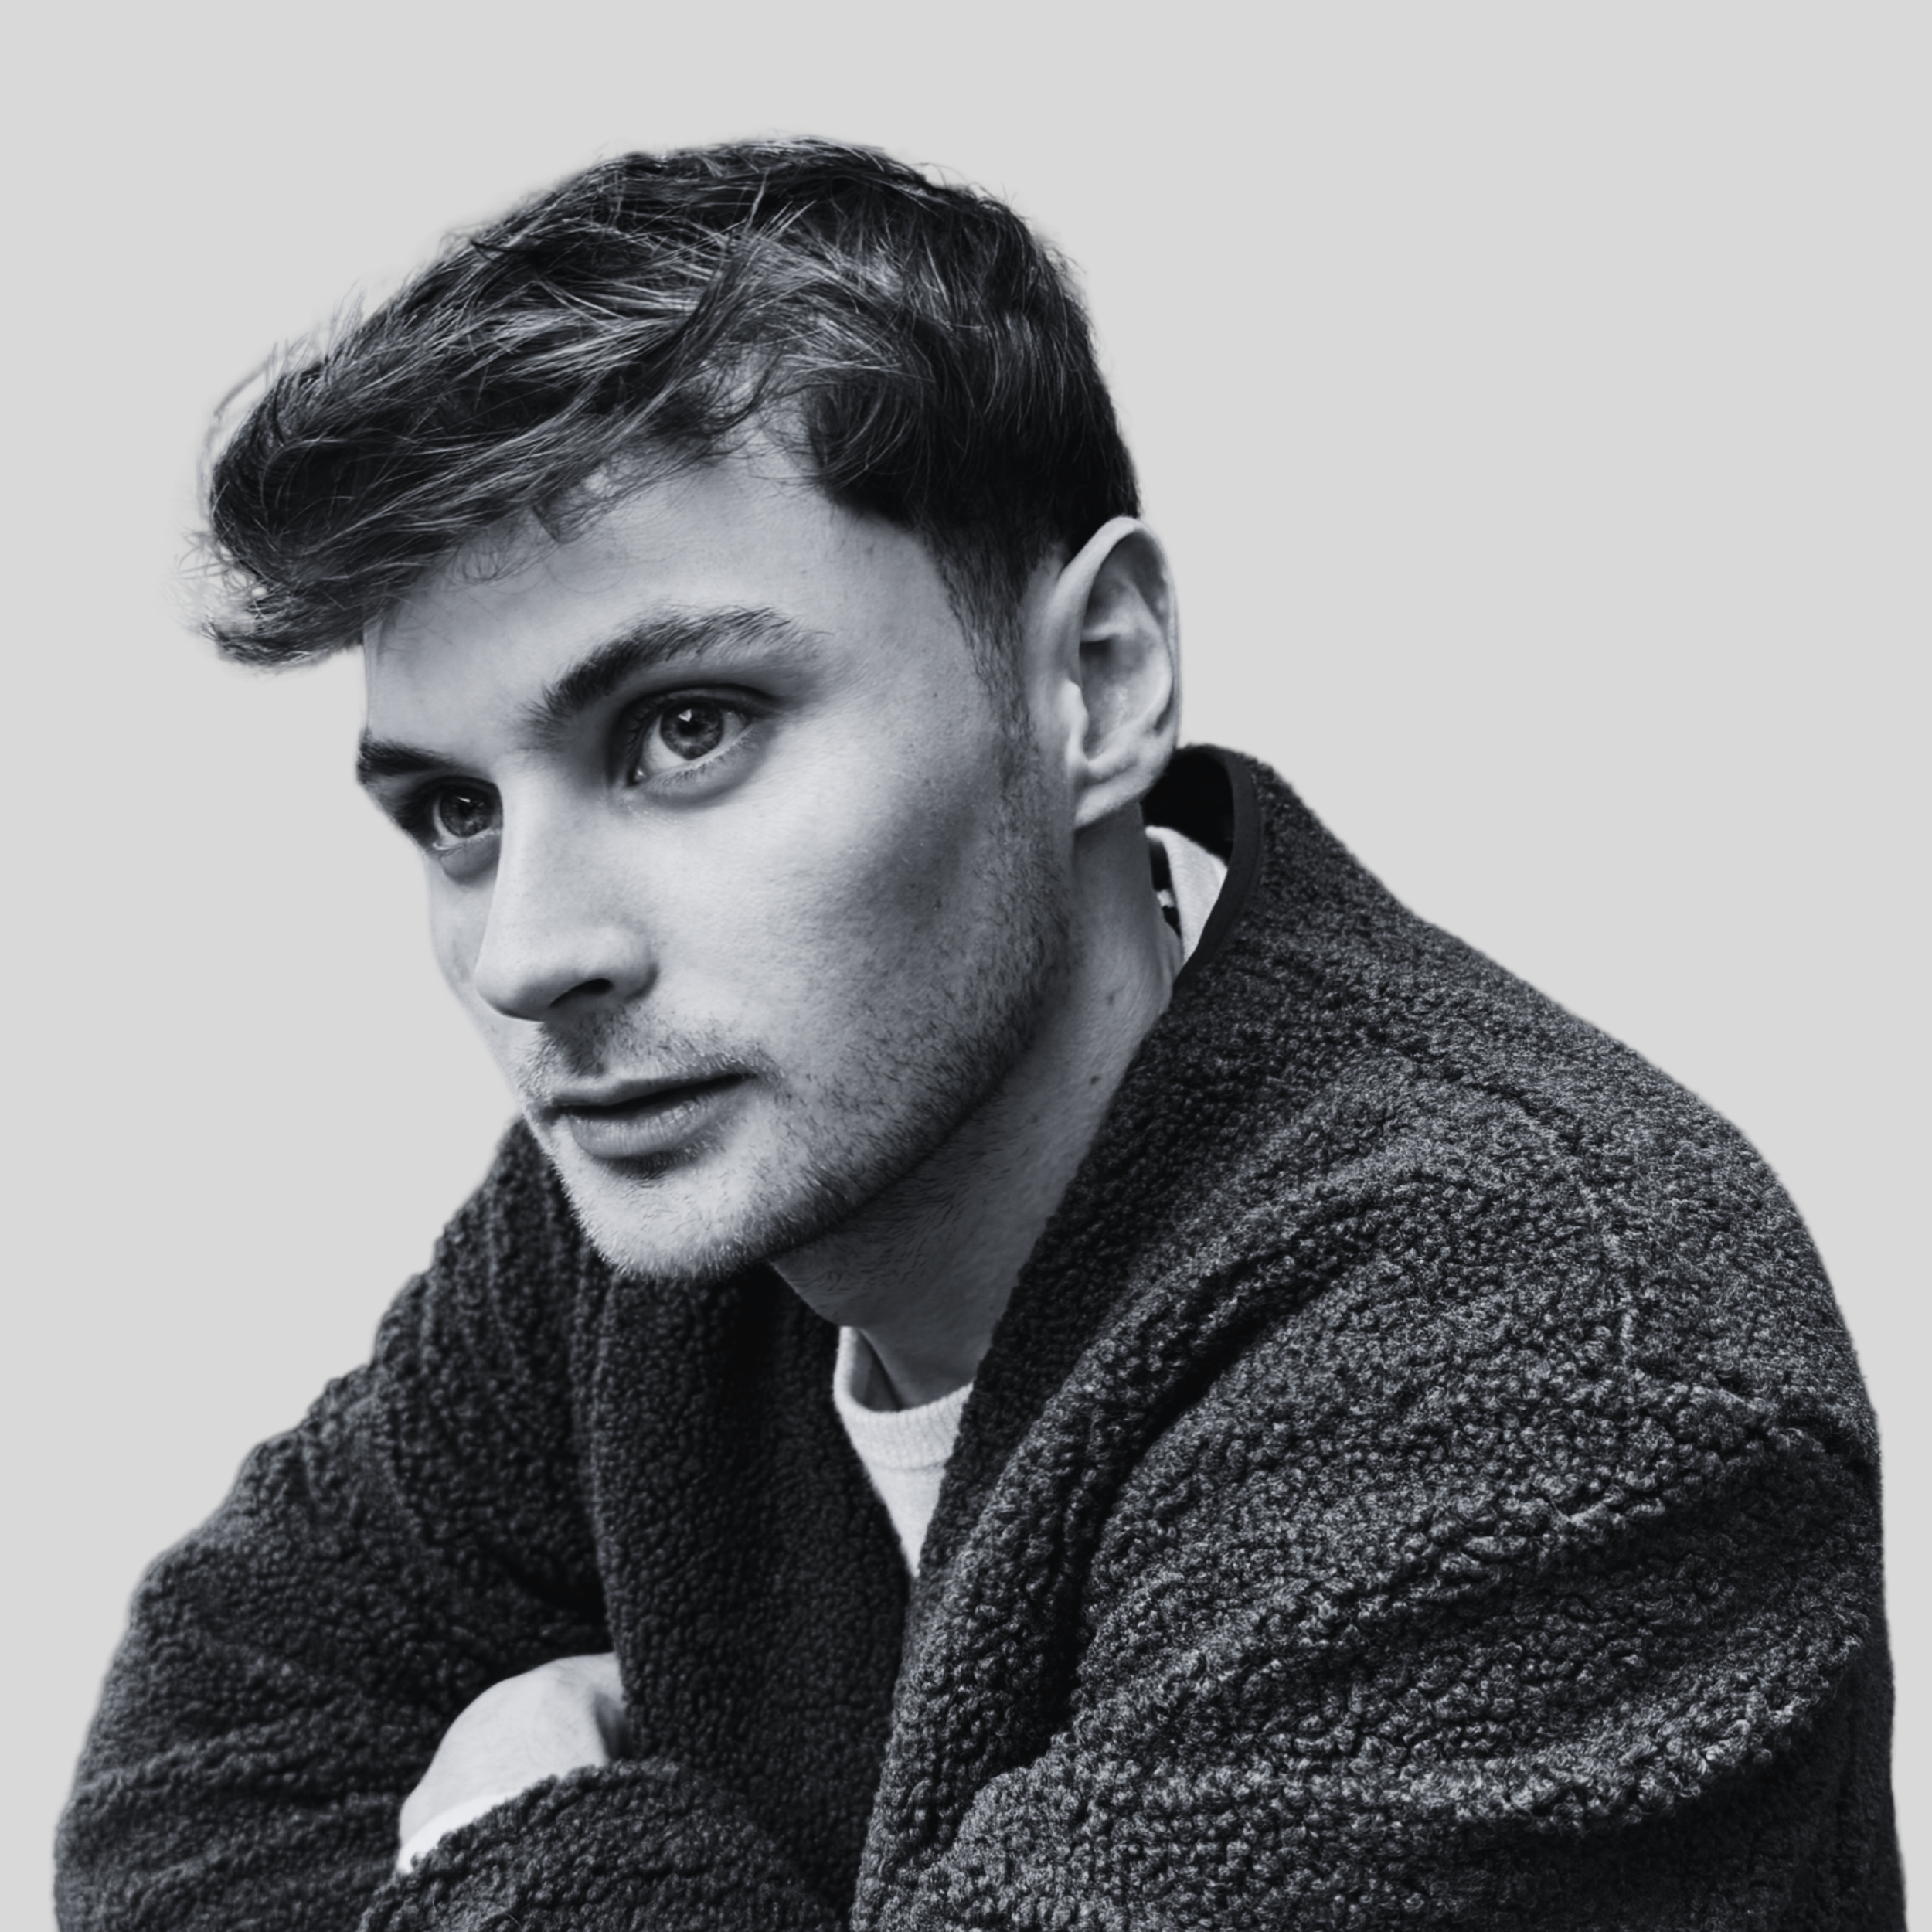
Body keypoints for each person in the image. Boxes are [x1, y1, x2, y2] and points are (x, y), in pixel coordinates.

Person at [57, 139, 1901, 1930]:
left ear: (1095, 679)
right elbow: (196, 1796)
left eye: (686, 728)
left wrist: (520, 1830)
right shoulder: (651, 1219)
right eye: (453, 812)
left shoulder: (1546, 1357)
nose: (532, 952)